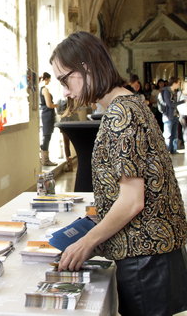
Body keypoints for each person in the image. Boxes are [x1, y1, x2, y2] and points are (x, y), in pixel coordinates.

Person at [50, 31, 187, 316]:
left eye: (65, 79)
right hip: (155, 253)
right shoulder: (132, 102)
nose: (64, 91)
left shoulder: (120, 115)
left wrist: (86, 242)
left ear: (86, 68)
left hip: (145, 258)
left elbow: (132, 201)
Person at [161, 76, 185, 154]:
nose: (179, 85)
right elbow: (170, 104)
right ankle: (166, 151)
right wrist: (182, 102)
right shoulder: (166, 91)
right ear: (174, 83)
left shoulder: (174, 92)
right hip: (168, 116)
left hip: (175, 115)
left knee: (175, 134)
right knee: (168, 135)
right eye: (178, 83)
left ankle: (173, 150)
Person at [39, 72, 58, 166]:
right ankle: (45, 160)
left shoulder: (41, 89)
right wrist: (57, 105)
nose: (50, 81)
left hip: (46, 114)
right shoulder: (45, 89)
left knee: (47, 136)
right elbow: (49, 105)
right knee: (47, 136)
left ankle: (44, 158)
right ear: (46, 79)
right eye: (49, 79)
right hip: (47, 114)